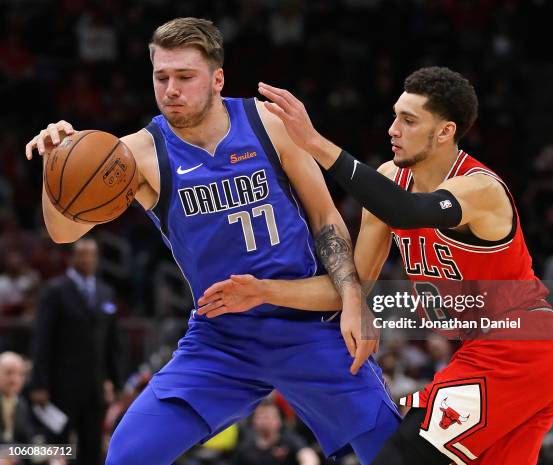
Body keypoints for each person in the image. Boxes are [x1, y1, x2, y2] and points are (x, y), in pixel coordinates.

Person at [24, 17, 400, 465]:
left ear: (217, 79)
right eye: (161, 77)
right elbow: (63, 231)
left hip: (307, 324)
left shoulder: (267, 122)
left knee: (393, 450)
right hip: (222, 338)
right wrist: (56, 165)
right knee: (127, 453)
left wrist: (353, 298)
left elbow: (326, 219)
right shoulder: (138, 153)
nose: (171, 89)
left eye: (185, 77)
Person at [199, 67, 553, 465]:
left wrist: (314, 144)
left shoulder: (480, 188)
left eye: (409, 121)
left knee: (400, 456)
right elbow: (350, 285)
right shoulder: (389, 178)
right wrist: (262, 291)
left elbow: (408, 211)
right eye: (395, 115)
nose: (393, 129)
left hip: (521, 345)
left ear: (445, 132)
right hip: (487, 349)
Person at [30, 239, 121, 465]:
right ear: (71, 258)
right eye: (82, 254)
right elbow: (42, 338)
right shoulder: (54, 290)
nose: (88, 259)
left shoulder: (106, 291)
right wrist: (39, 383)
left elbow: (112, 342)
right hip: (61, 384)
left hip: (95, 386)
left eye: (92, 255)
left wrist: (116, 382)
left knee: (91, 446)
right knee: (58, 447)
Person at [233, 397, 319, 465]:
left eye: (268, 417)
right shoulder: (246, 446)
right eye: (260, 417)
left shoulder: (289, 440)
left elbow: (308, 456)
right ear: (254, 421)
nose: (265, 421)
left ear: (279, 420)